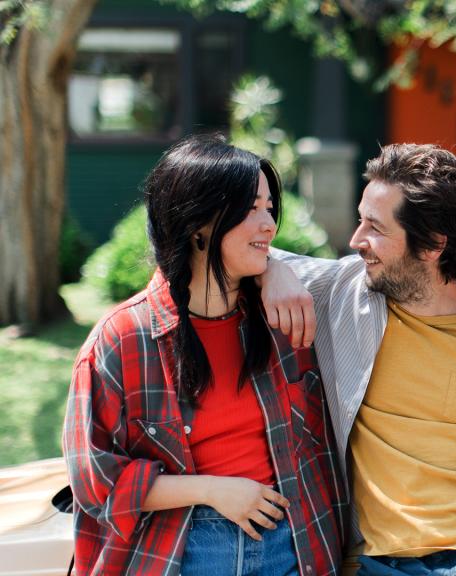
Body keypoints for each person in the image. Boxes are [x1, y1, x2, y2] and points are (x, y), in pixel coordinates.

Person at [62, 134, 344, 575]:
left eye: (270, 208)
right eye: (251, 208)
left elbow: (375, 276)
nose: (268, 224)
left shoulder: (284, 316)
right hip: (182, 550)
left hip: (291, 544)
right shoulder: (123, 339)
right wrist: (212, 490)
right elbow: (97, 481)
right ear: (198, 222)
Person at [260, 143, 456, 575]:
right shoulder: (343, 291)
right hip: (379, 560)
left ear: (432, 246)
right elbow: (211, 242)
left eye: (375, 227)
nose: (356, 241)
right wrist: (271, 269)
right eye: (360, 220)